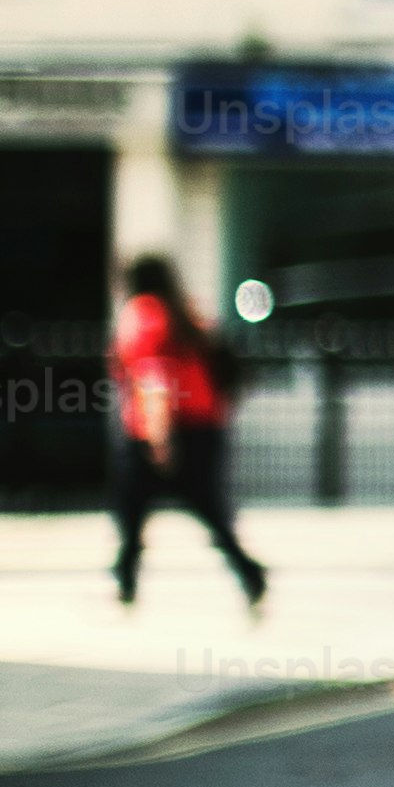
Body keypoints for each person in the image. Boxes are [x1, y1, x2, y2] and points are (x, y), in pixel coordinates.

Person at [107, 255, 264, 616]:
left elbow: (152, 377)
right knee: (207, 508)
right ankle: (249, 573)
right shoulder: (185, 312)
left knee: (132, 506)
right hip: (203, 427)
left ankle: (126, 582)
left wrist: (158, 438)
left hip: (163, 428)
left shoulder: (145, 313)